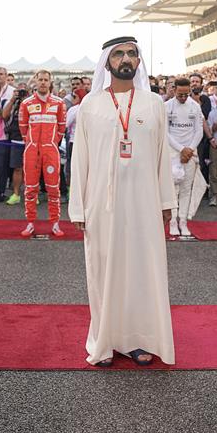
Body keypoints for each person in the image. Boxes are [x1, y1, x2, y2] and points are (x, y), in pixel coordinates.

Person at [68, 35, 176, 367]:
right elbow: (80, 159)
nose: (126, 59)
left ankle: (136, 340)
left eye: (131, 53)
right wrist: (78, 207)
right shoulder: (91, 104)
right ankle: (104, 340)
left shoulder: (153, 102)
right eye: (118, 54)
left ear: (139, 62)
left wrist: (165, 202)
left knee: (141, 271)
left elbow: (161, 156)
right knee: (103, 271)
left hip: (144, 204)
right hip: (102, 204)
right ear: (107, 62)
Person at [18, 70, 66, 237]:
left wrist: (51, 143)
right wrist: (31, 143)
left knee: (53, 189)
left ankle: (55, 223)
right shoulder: (26, 103)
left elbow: (61, 127)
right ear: (36, 82)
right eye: (41, 80)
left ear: (50, 82)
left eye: (46, 80)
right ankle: (30, 223)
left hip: (51, 150)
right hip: (31, 151)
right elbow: (23, 128)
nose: (43, 83)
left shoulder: (59, 103)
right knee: (30, 188)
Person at [165, 77, 204, 237]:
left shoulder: (195, 106)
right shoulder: (166, 106)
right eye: (180, 94)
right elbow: (165, 132)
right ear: (174, 90)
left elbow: (199, 131)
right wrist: (181, 149)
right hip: (173, 152)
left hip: (190, 152)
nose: (183, 97)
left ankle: (183, 221)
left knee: (187, 189)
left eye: (186, 94)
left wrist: (189, 150)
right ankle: (173, 222)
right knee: (173, 190)